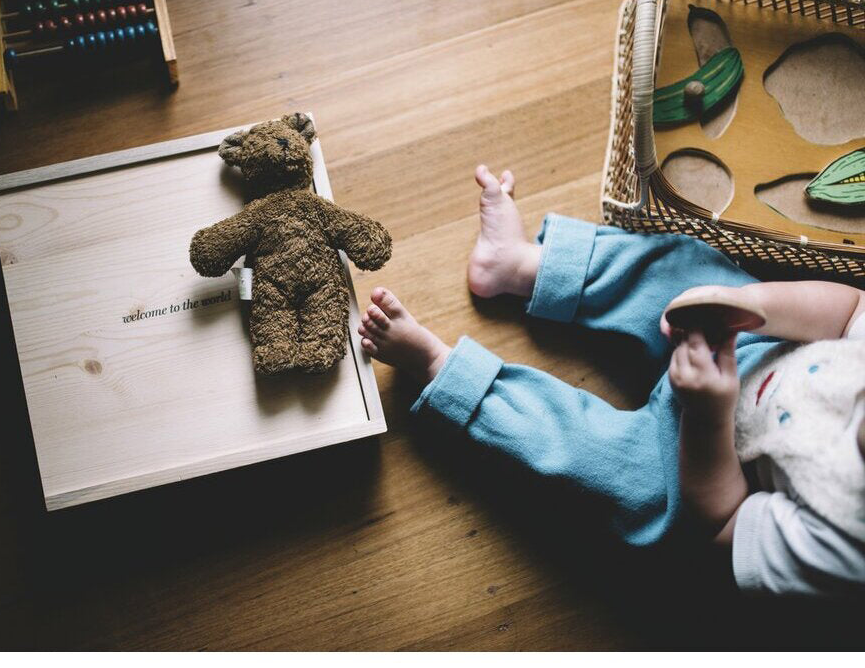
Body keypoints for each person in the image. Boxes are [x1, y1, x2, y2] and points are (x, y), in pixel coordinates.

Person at [359, 165, 865, 597]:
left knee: (600, 466)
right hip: (751, 342)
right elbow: (849, 311)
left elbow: (722, 522)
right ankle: (519, 264)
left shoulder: (844, 547)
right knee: (683, 268)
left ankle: (441, 369)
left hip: (695, 473)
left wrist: (707, 418)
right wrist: (751, 305)